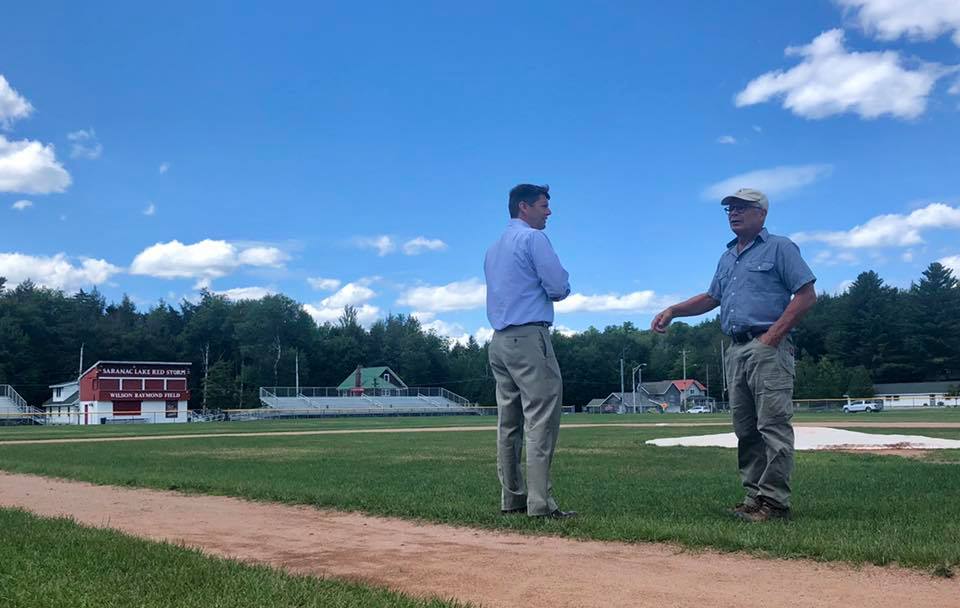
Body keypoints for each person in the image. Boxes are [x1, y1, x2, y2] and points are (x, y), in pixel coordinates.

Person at [651, 188, 816, 522]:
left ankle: (775, 502)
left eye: (742, 208)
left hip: (768, 346)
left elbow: (806, 295)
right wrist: (673, 310)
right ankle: (755, 497)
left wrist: (772, 337)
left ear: (762, 214)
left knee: (773, 424)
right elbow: (712, 297)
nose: (734, 213)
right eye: (729, 209)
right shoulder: (728, 257)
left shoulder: (780, 247)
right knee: (746, 429)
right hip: (736, 348)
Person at [484, 183, 575, 519]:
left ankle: (512, 499)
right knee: (541, 418)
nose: (548, 212)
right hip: (529, 336)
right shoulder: (533, 239)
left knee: (508, 423)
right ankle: (541, 504)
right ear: (524, 207)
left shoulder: (493, 248)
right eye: (543, 205)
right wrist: (563, 286)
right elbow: (557, 286)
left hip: (499, 340)